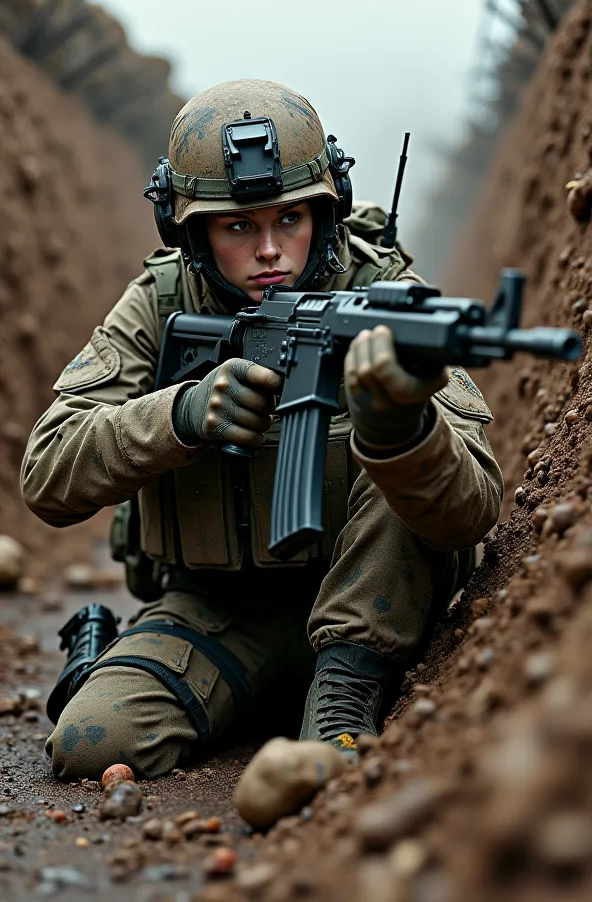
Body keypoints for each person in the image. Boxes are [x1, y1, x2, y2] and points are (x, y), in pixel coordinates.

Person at [21, 79, 503, 788]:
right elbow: (47, 472)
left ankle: (342, 692)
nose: (271, 251)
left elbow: (472, 511)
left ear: (324, 210)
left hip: (370, 611)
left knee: (387, 432)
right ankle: (253, 692)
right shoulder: (162, 302)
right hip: (217, 611)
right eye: (238, 227)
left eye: (290, 220)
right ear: (190, 232)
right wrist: (179, 415)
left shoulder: (388, 299)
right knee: (91, 743)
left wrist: (403, 427)